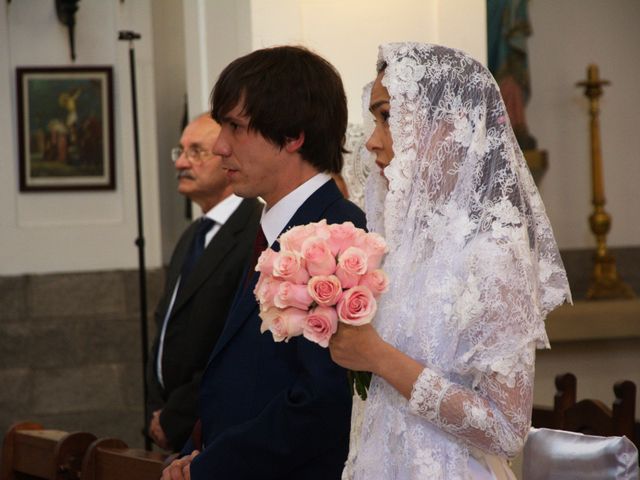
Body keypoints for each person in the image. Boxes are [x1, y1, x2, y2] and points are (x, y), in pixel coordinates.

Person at [329, 43, 571, 479]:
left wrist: (380, 358)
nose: (372, 138)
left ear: (450, 126)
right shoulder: (397, 245)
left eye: (388, 116)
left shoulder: (491, 251)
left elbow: (506, 428)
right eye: (376, 118)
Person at [162, 46, 366, 479]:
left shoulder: (338, 240)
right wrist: (191, 454)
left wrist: (213, 467)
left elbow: (321, 403)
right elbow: (237, 374)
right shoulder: (270, 230)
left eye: (235, 128)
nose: (220, 147)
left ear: (292, 136)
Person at [146, 113, 262, 451]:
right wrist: (157, 407)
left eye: (196, 151)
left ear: (229, 157)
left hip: (214, 426)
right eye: (180, 151)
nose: (181, 162)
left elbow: (229, 345)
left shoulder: (253, 232)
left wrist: (176, 417)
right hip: (171, 422)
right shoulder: (192, 235)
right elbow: (168, 326)